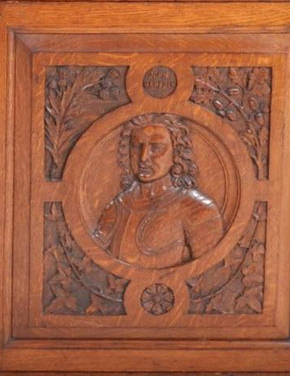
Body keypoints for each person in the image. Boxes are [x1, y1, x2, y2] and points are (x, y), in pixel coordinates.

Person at [94, 113, 224, 267]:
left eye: (156, 147)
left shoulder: (197, 209)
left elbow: (210, 275)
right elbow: (90, 262)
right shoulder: (118, 207)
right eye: (136, 146)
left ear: (177, 152)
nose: (143, 158)